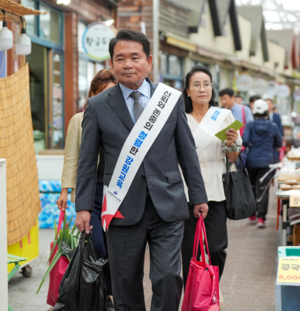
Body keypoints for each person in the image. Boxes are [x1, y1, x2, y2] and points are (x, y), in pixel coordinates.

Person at [74, 29, 208, 311]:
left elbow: (187, 151)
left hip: (167, 205)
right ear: (111, 64)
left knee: (168, 278)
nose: (127, 64)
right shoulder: (97, 106)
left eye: (135, 57)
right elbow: (87, 161)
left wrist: (198, 195)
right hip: (121, 208)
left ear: (148, 61)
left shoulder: (169, 101)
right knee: (125, 285)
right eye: (120, 58)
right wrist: (83, 206)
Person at [181, 66, 242, 309]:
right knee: (188, 250)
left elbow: (233, 158)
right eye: (196, 84)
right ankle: (193, 294)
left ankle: (213, 287)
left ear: (212, 88)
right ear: (187, 90)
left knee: (217, 248)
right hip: (185, 192)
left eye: (206, 84)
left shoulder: (224, 116)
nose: (202, 89)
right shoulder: (179, 117)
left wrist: (231, 144)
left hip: (216, 191)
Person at [56, 69, 117, 309]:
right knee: (97, 245)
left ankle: (108, 295)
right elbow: (71, 158)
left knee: (116, 246)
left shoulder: (121, 120)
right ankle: (96, 293)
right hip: (90, 192)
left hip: (115, 192)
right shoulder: (79, 120)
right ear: (92, 94)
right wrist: (64, 190)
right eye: (102, 93)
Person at [243, 99, 282, 228]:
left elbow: (245, 141)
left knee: (252, 187)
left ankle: (252, 215)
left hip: (251, 161)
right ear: (266, 111)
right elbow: (279, 144)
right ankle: (261, 218)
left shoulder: (250, 125)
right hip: (266, 161)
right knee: (263, 190)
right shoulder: (273, 126)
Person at [263, 94, 283, 164]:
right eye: (266, 104)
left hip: (274, 142)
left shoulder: (276, 116)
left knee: (274, 161)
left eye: (269, 103)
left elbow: (280, 128)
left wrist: (280, 142)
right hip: (265, 142)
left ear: (272, 105)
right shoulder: (261, 116)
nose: (267, 105)